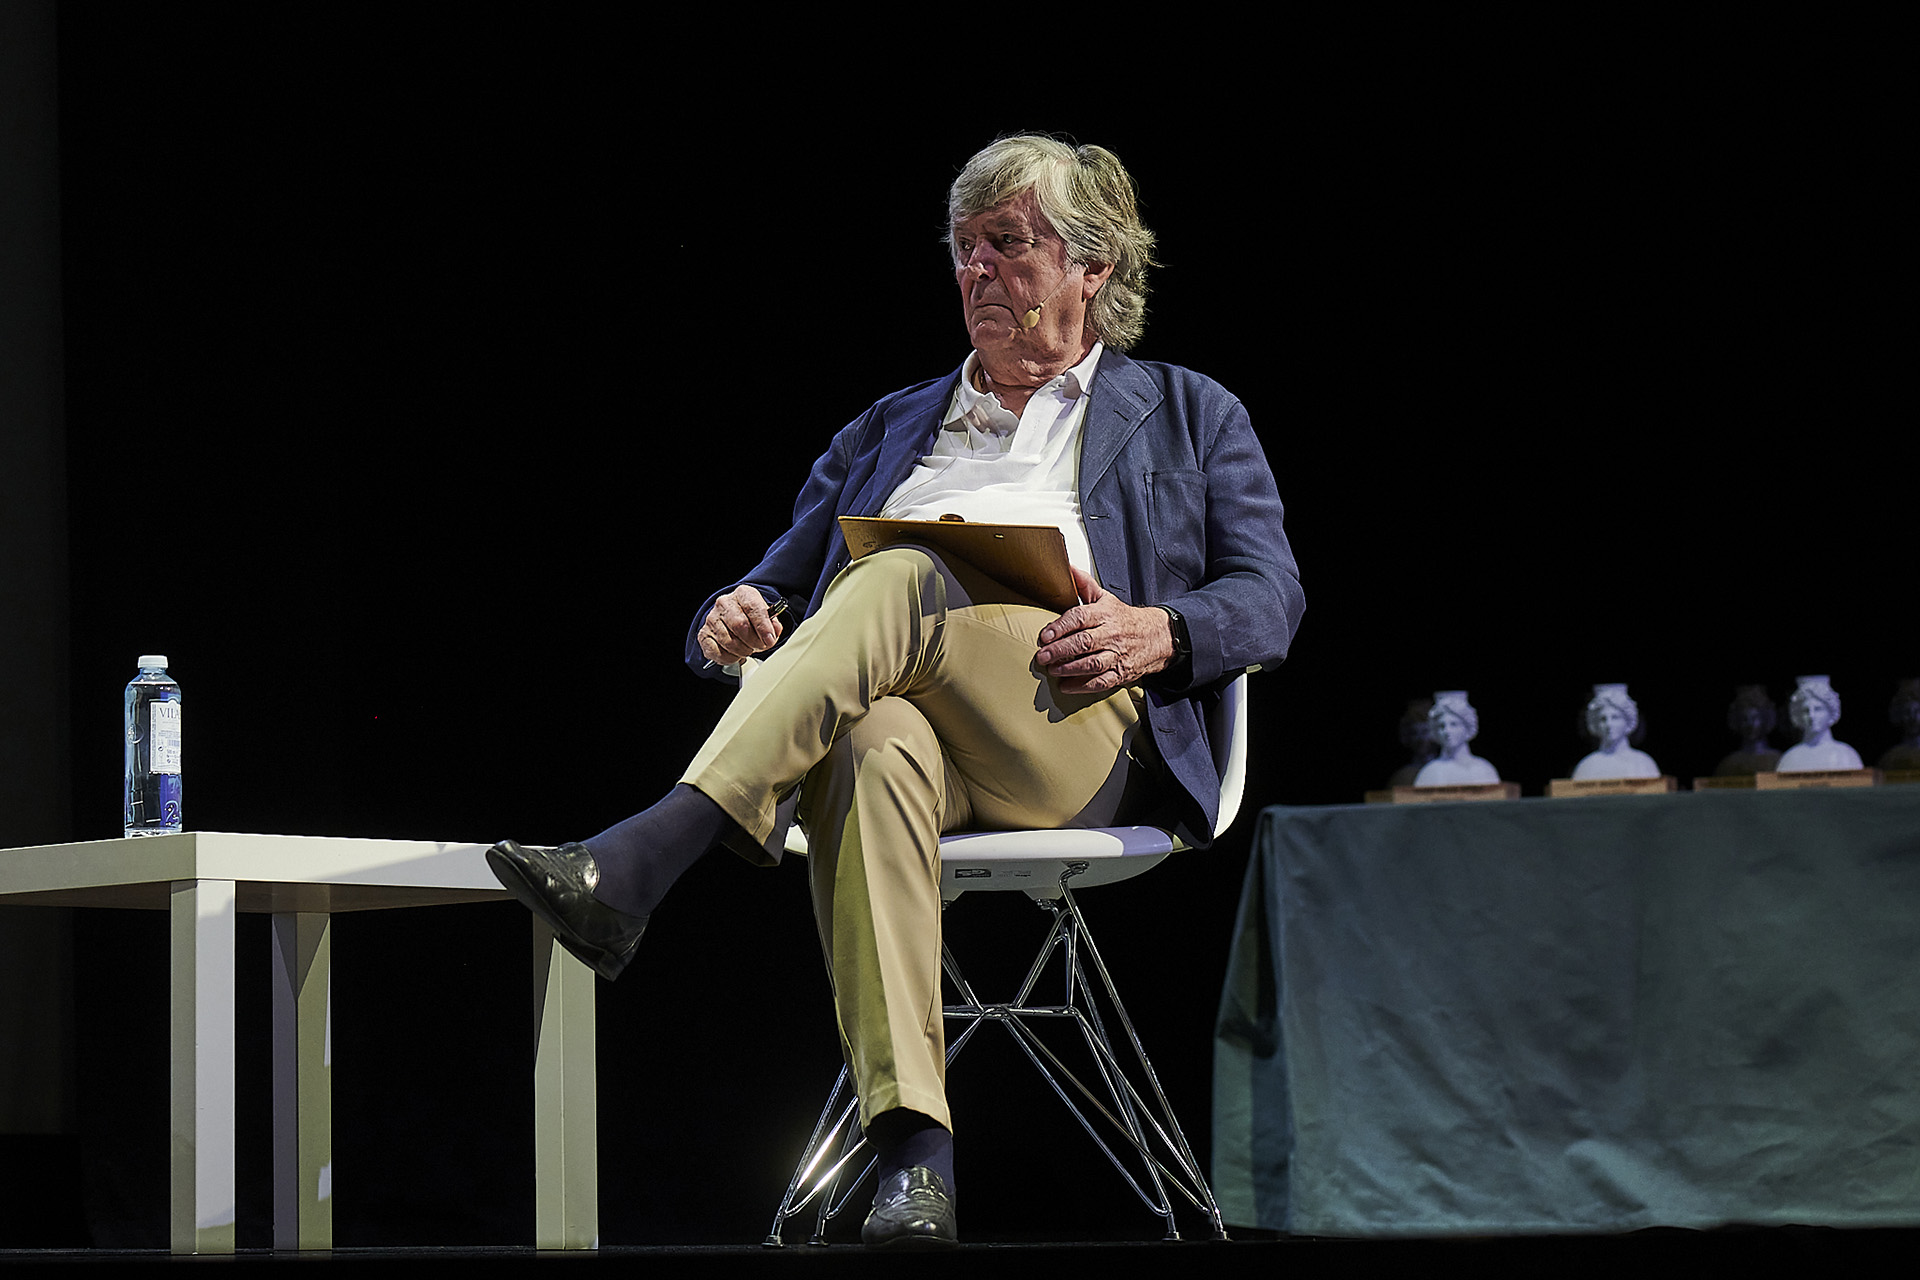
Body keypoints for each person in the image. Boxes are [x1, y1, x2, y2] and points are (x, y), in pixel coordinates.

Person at [486, 135, 1304, 1249]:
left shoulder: (1187, 410)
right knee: (868, 739)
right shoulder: (887, 427)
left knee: (904, 571)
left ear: (1093, 266)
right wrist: (734, 615)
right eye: (963, 249)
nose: (977, 269)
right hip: (912, 725)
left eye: (1007, 244)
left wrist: (1162, 628)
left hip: (1074, 724)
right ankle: (916, 1163)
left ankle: (651, 849)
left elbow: (1271, 595)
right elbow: (775, 584)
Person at [1571, 683, 1660, 780]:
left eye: (1615, 717)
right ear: (1595, 724)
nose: (1609, 725)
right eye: (1603, 719)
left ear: (1627, 721)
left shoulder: (1643, 764)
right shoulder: (1586, 767)